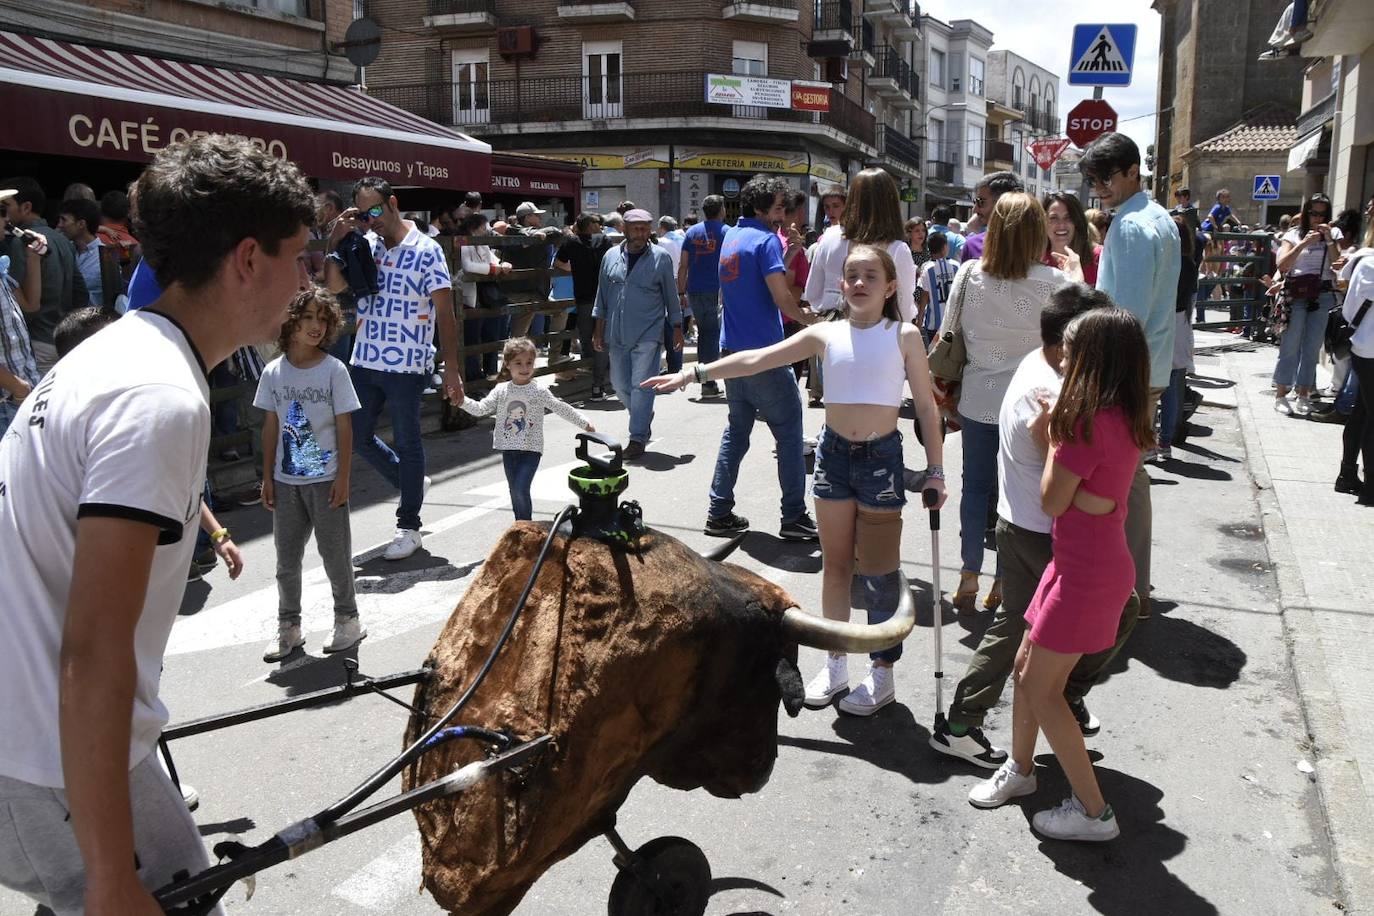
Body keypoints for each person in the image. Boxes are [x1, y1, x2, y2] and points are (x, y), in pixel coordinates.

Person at [0, 133, 312, 916]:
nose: (309, 282)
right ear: (247, 258)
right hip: (38, 748)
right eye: (300, 257)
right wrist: (109, 873)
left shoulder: (117, 356)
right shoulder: (159, 398)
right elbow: (93, 649)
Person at [644, 244, 947, 714]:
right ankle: (837, 662)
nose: (860, 283)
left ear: (891, 287)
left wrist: (936, 471)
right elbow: (757, 359)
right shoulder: (825, 334)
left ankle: (882, 671)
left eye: (871, 276)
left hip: (881, 461)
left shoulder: (904, 335)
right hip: (833, 458)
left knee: (880, 575)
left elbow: (926, 407)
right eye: (852, 275)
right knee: (837, 567)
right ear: (841, 285)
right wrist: (693, 372)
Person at [930, 284, 1139, 767]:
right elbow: (1060, 483)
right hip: (1041, 530)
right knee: (1032, 628)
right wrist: (1105, 503)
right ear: (1072, 340)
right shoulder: (1054, 392)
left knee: (1026, 627)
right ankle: (968, 720)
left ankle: (1022, 705)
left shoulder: (1042, 364)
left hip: (1027, 522)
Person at [968, 307, 1154, 842]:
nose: (1062, 361)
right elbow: (1085, 501)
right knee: (1029, 668)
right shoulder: (1123, 415)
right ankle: (1022, 772)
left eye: (1069, 354)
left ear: (1091, 362)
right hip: (1082, 566)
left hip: (1085, 575)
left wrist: (1051, 434)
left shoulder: (1085, 426)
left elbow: (1052, 500)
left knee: (1043, 689)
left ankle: (1094, 813)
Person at [940, 192, 1070, 613]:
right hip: (1033, 405)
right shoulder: (1055, 284)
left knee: (974, 489)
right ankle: (1003, 580)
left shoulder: (969, 274)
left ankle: (967, 573)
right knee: (1015, 495)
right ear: (1037, 232)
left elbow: (946, 333)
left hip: (978, 399)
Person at [326, 176, 460, 561]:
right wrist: (337, 238)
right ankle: (411, 482)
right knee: (359, 436)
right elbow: (333, 287)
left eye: (375, 210)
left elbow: (445, 314)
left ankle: (409, 525)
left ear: (393, 203)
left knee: (408, 440)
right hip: (366, 359)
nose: (371, 219)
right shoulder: (363, 244)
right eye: (362, 213)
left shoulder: (427, 249)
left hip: (408, 364)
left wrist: (452, 369)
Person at [1080, 131, 1180, 621]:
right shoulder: (1156, 218)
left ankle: (1128, 590)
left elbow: (1129, 313)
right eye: (1094, 180)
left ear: (1129, 172)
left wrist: (1101, 371)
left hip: (1128, 369)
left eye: (1103, 179)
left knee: (1125, 476)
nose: (1098, 188)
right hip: (1146, 366)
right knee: (1130, 473)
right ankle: (1131, 586)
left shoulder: (1133, 225)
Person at [704, 174, 818, 541]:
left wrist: (791, 254)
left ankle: (719, 511)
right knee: (789, 433)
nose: (784, 216)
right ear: (761, 207)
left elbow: (760, 279)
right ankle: (794, 517)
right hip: (764, 354)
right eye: (779, 208)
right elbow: (782, 298)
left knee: (737, 431)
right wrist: (813, 322)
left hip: (731, 352)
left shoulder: (732, 237)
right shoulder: (766, 240)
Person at [255, 287, 363, 662]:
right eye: (307, 318)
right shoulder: (273, 372)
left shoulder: (334, 370)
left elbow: (345, 427)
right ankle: (289, 627)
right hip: (287, 484)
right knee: (286, 561)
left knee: (335, 555)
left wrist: (344, 477)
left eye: (322, 319)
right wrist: (268, 476)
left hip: (326, 479)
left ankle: (347, 619)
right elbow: (271, 425)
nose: (315, 326)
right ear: (291, 322)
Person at [459, 337, 595, 520]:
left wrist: (584, 422)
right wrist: (461, 401)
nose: (524, 368)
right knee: (514, 490)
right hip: (509, 450)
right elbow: (480, 409)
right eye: (518, 363)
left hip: (531, 450)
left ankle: (525, 526)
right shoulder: (501, 390)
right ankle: (521, 526)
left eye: (529, 363)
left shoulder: (538, 390)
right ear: (507, 365)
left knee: (520, 488)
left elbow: (560, 407)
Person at [591, 208, 680, 460]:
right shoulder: (610, 256)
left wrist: (676, 327)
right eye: (635, 228)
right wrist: (598, 329)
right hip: (616, 332)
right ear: (625, 229)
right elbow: (602, 296)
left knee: (641, 386)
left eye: (645, 228)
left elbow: (671, 296)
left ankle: (637, 437)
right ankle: (643, 413)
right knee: (619, 384)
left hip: (648, 332)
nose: (640, 233)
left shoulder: (660, 258)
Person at [804, 168, 916, 321]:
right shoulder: (897, 249)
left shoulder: (829, 237)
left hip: (829, 330)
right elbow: (904, 310)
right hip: (876, 336)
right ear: (891, 202)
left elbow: (812, 293)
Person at [2, 177, 88, 374]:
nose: (4, 216)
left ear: (26, 207)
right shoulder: (63, 239)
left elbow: (21, 308)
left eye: (5, 207)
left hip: (36, 342)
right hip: (62, 340)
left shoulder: (22, 242)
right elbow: (80, 293)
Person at [1273, 193, 1343, 417]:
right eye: (1313, 213)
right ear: (1306, 213)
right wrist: (1303, 244)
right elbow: (1282, 264)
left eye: (1322, 214)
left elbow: (1337, 265)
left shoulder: (1333, 234)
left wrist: (1329, 239)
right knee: (1290, 346)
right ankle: (1281, 394)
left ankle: (1304, 394)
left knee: (1312, 349)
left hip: (1321, 295)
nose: (1316, 218)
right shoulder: (1293, 234)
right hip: (1297, 294)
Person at [1155, 215, 1199, 461]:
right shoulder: (1189, 264)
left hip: (1160, 321)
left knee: (1151, 384)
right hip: (1179, 323)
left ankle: (1149, 441)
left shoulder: (1162, 261)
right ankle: (1165, 441)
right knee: (1172, 386)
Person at [1336, 222, 1374, 502]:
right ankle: (1370, 487)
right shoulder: (1366, 262)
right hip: (1369, 349)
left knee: (1362, 411)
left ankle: (1347, 474)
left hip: (1362, 347)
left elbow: (1349, 309)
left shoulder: (1361, 261)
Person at [555, 212, 613, 397]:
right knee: (602, 340)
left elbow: (558, 262)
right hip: (605, 297)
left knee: (588, 339)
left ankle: (594, 377)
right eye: (597, 221)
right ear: (590, 224)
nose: (600, 224)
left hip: (584, 298)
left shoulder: (571, 242)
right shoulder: (604, 240)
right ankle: (599, 382)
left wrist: (576, 268)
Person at [678, 194, 728, 398]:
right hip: (718, 291)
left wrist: (681, 292)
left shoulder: (692, 232)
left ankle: (706, 379)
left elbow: (683, 265)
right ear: (722, 210)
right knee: (713, 335)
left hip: (695, 290)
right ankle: (708, 382)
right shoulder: (727, 232)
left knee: (705, 334)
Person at [459, 211, 514, 384]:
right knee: (473, 338)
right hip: (471, 296)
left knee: (491, 333)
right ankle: (473, 376)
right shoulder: (463, 241)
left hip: (487, 295)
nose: (486, 229)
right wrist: (491, 269)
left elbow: (494, 260)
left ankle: (491, 372)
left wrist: (502, 265)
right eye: (483, 226)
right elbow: (467, 266)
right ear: (473, 227)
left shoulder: (483, 243)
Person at [962, 171, 1025, 263]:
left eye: (981, 202)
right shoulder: (972, 246)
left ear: (1003, 203)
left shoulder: (1034, 246)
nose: (974, 210)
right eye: (975, 202)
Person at [56, 197, 107, 308]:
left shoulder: (105, 257)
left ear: (81, 224)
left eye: (64, 220)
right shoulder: (65, 250)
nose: (59, 225)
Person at [1043, 191, 1101, 286]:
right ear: (1043, 222)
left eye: (1068, 217)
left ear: (1077, 222)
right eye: (1054, 218)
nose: (1061, 225)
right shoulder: (1035, 261)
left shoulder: (1098, 257)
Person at [916, 231, 958, 348]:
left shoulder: (927, 268)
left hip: (933, 323)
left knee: (934, 357)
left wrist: (919, 323)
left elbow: (924, 297)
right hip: (953, 322)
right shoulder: (956, 266)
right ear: (944, 248)